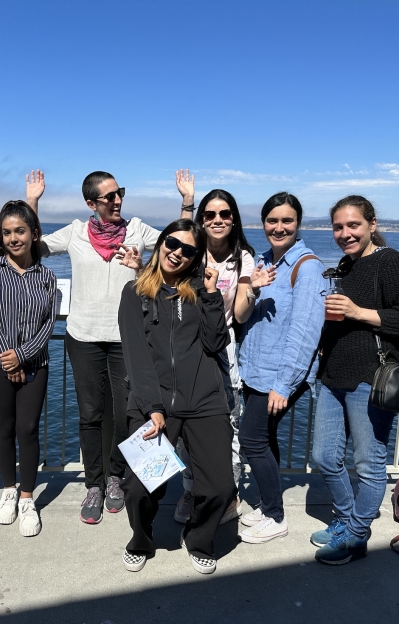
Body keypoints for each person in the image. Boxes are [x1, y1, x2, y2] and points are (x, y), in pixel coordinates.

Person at [28, 170, 159, 524]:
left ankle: (115, 478)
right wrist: (33, 202)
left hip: (125, 340)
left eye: (120, 194)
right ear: (91, 203)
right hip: (83, 336)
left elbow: (178, 252)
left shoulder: (139, 231)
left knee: (122, 415)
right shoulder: (74, 232)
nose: (118, 201)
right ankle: (94, 484)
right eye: (110, 197)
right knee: (90, 414)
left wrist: (143, 264)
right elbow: (32, 247)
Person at [311, 195, 399, 565]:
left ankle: (357, 536)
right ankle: (349, 520)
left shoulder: (392, 263)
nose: (345, 233)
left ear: (372, 224)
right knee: (324, 457)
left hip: (371, 377)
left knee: (368, 462)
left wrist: (358, 312)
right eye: (338, 227)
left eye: (353, 225)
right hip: (332, 376)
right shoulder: (344, 267)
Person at [118, 219, 234, 575]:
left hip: (204, 401)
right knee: (139, 489)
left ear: (196, 257)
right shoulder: (135, 291)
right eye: (172, 243)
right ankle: (141, 539)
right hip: (153, 403)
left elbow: (217, 343)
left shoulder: (200, 292)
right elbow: (137, 355)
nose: (177, 253)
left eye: (188, 250)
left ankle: (198, 538)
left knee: (219, 486)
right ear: (161, 243)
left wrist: (213, 296)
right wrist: (153, 407)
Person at [173, 170, 276, 525]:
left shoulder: (243, 258)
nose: (217, 220)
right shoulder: (193, 252)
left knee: (228, 427)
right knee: (186, 429)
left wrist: (253, 288)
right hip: (186, 348)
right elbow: (174, 242)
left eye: (225, 214)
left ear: (233, 220)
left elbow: (241, 314)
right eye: (210, 214)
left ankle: (227, 495)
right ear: (202, 220)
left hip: (223, 351)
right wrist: (187, 202)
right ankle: (190, 490)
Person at [235, 192, 328, 543]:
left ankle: (275, 517)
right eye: (272, 221)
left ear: (298, 223)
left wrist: (284, 384)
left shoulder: (307, 267)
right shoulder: (264, 262)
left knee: (251, 439)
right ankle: (266, 502)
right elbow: (246, 317)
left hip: (277, 375)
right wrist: (254, 289)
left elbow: (305, 331)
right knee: (265, 438)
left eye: (286, 221)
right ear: (263, 224)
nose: (279, 227)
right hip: (255, 369)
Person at [0, 200, 57, 537]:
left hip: (35, 365)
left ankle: (27, 498)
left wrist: (21, 355)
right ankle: (8, 489)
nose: (13, 238)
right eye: (7, 232)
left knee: (28, 429)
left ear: (33, 234)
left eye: (20, 231)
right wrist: (7, 357)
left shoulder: (47, 277)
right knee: (4, 428)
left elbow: (48, 325)